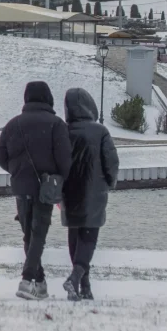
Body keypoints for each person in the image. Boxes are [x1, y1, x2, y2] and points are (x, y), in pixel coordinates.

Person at [0, 81, 72, 300]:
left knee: (29, 235)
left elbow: (0, 154)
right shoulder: (56, 125)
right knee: (37, 235)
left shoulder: (14, 124)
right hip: (45, 187)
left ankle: (40, 282)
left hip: (21, 187)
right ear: (48, 98)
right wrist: (59, 178)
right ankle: (27, 280)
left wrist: (16, 170)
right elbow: (65, 160)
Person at [61, 87, 120, 301]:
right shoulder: (100, 131)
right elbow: (111, 162)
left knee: (75, 237)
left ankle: (84, 286)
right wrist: (110, 182)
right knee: (89, 238)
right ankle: (76, 278)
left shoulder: (64, 131)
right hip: (94, 191)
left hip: (69, 192)